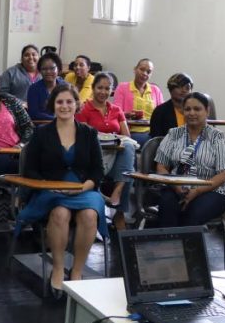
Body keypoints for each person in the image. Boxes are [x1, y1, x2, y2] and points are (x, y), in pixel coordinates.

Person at [17, 83, 107, 291]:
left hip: (84, 190)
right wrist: (51, 186)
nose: (64, 106)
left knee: (89, 216)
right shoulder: (41, 133)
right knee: (59, 214)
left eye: (69, 101)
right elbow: (30, 170)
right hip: (51, 191)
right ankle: (58, 268)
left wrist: (85, 187)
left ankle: (76, 270)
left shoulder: (89, 133)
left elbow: (98, 170)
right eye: (59, 102)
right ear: (53, 105)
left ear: (77, 104)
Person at [154, 91, 225, 227]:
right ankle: (170, 247)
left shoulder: (218, 137)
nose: (192, 113)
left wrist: (197, 191)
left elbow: (224, 173)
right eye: (187, 109)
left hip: (211, 190)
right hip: (177, 188)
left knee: (193, 214)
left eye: (197, 109)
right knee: (167, 206)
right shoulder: (174, 134)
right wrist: (175, 186)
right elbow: (161, 167)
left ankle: (190, 248)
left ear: (207, 111)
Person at [76, 73, 136, 229]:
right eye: (99, 88)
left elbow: (126, 136)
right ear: (93, 88)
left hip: (116, 156)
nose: (103, 92)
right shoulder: (85, 109)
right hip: (95, 157)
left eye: (107, 88)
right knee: (129, 169)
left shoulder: (116, 110)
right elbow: (82, 137)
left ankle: (118, 193)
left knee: (129, 148)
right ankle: (119, 209)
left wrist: (114, 139)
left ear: (112, 90)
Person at [113, 58, 163, 146]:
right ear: (135, 69)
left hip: (153, 131)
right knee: (154, 143)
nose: (144, 73)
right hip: (131, 131)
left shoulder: (155, 90)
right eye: (142, 69)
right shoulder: (122, 88)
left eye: (148, 72)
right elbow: (115, 113)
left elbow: (163, 113)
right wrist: (128, 114)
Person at [149, 72, 194, 139]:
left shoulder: (195, 111)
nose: (184, 90)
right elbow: (157, 139)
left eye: (187, 88)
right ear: (170, 89)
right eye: (179, 87)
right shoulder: (160, 111)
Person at [26, 52, 65, 120]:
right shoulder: (34, 89)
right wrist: (55, 119)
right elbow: (33, 113)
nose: (48, 72)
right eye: (44, 69)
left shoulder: (65, 87)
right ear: (40, 71)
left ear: (58, 68)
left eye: (52, 68)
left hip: (64, 124)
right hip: (42, 126)